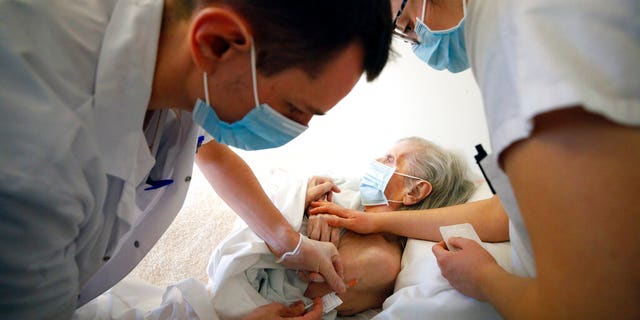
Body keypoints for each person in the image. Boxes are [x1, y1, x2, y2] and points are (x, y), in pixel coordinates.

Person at [0, 0, 393, 319]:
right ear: (218, 42)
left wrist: (288, 241)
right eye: (293, 108)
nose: (296, 129)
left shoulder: (176, 58)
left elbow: (207, 146)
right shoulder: (39, 162)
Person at [319, 0, 640, 318]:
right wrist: (371, 219)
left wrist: (484, 279)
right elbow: (507, 213)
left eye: (406, 25)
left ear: (416, 191)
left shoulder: (524, 24)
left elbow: (594, 307)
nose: (417, 42)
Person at [302, 136, 479, 316]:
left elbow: (298, 288)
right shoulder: (353, 201)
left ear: (414, 191)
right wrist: (310, 199)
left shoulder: (378, 258)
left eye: (389, 160)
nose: (376, 162)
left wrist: (310, 214)